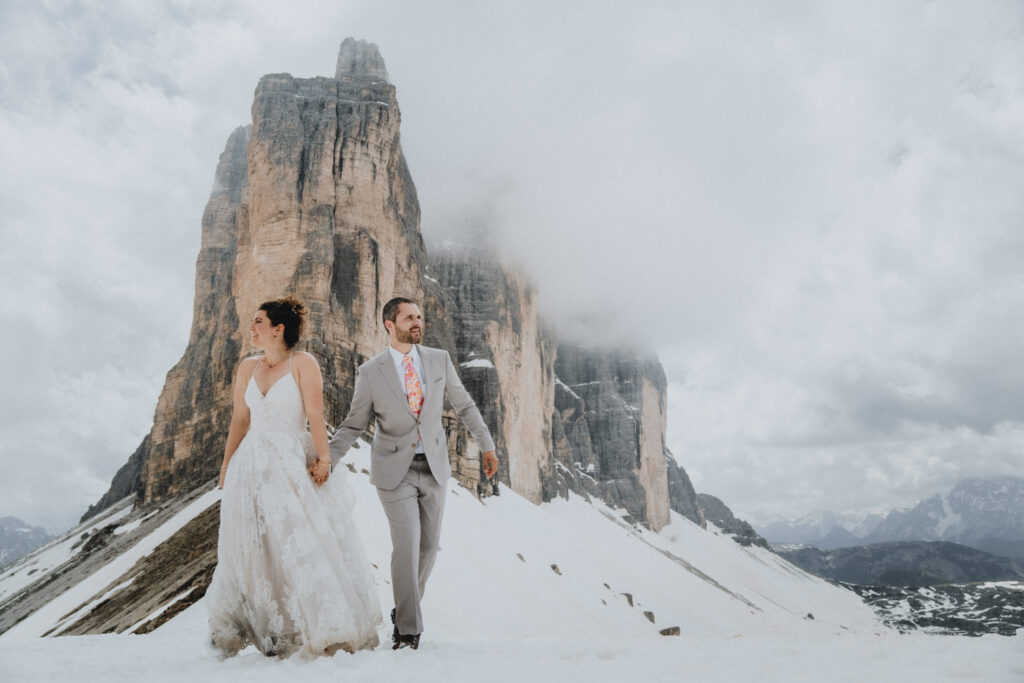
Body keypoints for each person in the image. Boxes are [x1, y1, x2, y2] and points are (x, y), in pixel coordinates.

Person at [206, 297, 381, 659]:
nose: (251, 328)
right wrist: (225, 467)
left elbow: (316, 416)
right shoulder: (246, 369)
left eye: (258, 321)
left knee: (299, 540)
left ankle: (319, 623)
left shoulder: (303, 363)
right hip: (250, 466)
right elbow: (240, 420)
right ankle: (266, 626)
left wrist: (325, 459)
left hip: (289, 463)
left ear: (278, 328)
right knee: (254, 546)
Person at [330, 296, 499, 650]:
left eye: (419, 317)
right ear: (390, 324)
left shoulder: (439, 360)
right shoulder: (370, 372)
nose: (417, 322)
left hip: (434, 466)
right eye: (409, 318)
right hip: (395, 471)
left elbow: (464, 404)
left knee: (429, 549)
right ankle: (407, 631)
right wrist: (328, 459)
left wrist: (486, 443)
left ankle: (405, 609)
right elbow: (354, 423)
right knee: (406, 546)